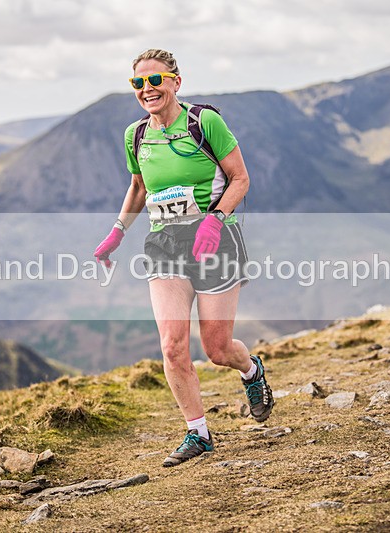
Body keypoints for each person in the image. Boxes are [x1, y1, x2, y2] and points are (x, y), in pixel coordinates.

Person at [94, 49, 274, 467]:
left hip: (215, 242)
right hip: (165, 246)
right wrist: (117, 232)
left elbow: (240, 177)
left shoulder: (203, 122)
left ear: (176, 81)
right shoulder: (135, 135)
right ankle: (199, 434)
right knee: (173, 346)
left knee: (216, 348)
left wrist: (216, 218)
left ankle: (250, 371)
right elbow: (139, 187)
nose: (147, 90)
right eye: (138, 83)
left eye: (155, 80)